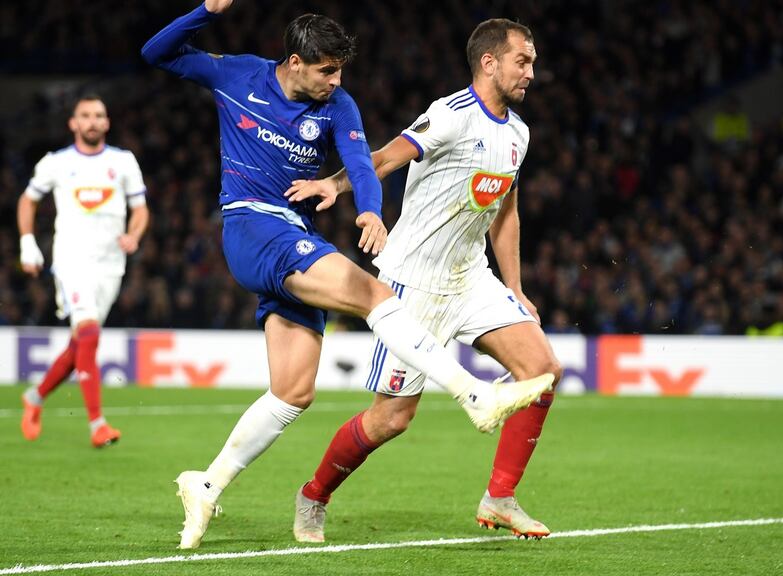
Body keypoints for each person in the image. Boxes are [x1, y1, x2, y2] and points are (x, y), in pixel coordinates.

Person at [141, 0, 553, 550]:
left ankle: (207, 483)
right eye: (327, 71)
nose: (337, 82)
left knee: (293, 393)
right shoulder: (237, 74)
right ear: (294, 61)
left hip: (316, 243)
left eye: (341, 71)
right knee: (371, 293)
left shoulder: (339, 106)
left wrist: (366, 208)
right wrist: (206, 9)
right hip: (256, 227)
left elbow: (364, 162)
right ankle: (472, 393)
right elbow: (156, 52)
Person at [285, 18, 561, 542]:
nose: (531, 71)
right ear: (489, 62)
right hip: (413, 284)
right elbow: (385, 158)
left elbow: (505, 214)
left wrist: (517, 289)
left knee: (542, 370)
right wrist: (335, 185)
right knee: (391, 419)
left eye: (533, 61)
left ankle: (499, 499)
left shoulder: (519, 133)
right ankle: (314, 494)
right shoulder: (451, 115)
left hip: (471, 279)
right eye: (522, 60)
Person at [18, 94, 150, 449]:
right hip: (71, 260)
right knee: (89, 334)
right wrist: (28, 243)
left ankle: (35, 397)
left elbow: (140, 209)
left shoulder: (123, 162)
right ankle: (97, 424)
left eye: (98, 115)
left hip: (110, 265)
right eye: (85, 116)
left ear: (106, 123)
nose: (92, 121)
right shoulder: (56, 163)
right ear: (73, 124)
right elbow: (28, 199)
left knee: (80, 344)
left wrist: (134, 235)